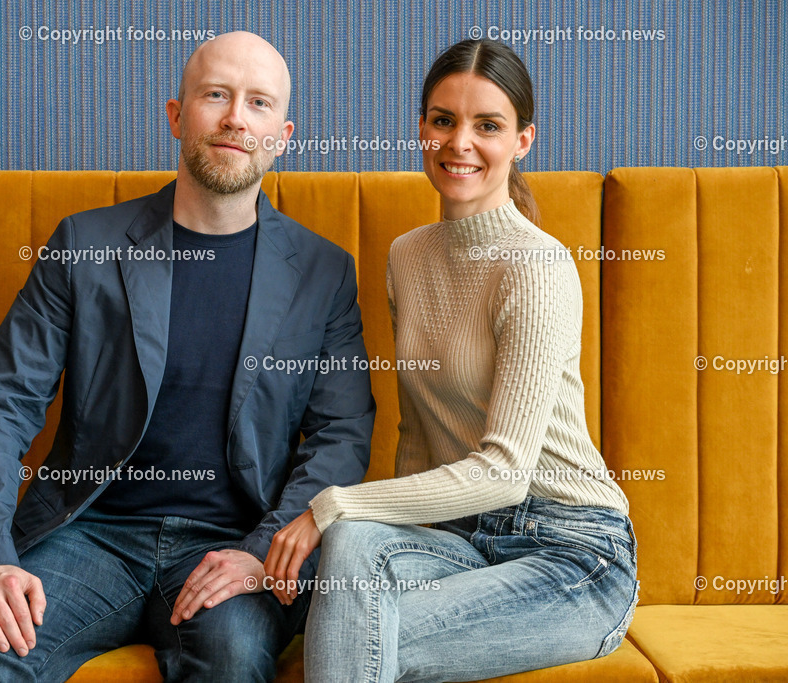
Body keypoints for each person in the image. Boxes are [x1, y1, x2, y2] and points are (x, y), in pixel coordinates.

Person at [0, 31, 375, 682]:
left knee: (232, 657)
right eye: (216, 95)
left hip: (230, 545)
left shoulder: (325, 273)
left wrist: (262, 550)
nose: (235, 117)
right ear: (176, 114)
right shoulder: (84, 244)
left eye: (258, 103)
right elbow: (2, 400)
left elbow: (342, 434)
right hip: (90, 533)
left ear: (281, 135)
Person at [264, 39, 639, 682]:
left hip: (572, 554)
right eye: (443, 120)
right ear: (422, 129)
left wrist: (330, 504)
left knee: (353, 634)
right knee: (353, 557)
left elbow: (505, 475)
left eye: (487, 125)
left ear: (523, 141)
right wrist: (350, 522)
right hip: (461, 544)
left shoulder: (537, 268)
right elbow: (419, 437)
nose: (459, 142)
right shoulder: (408, 256)